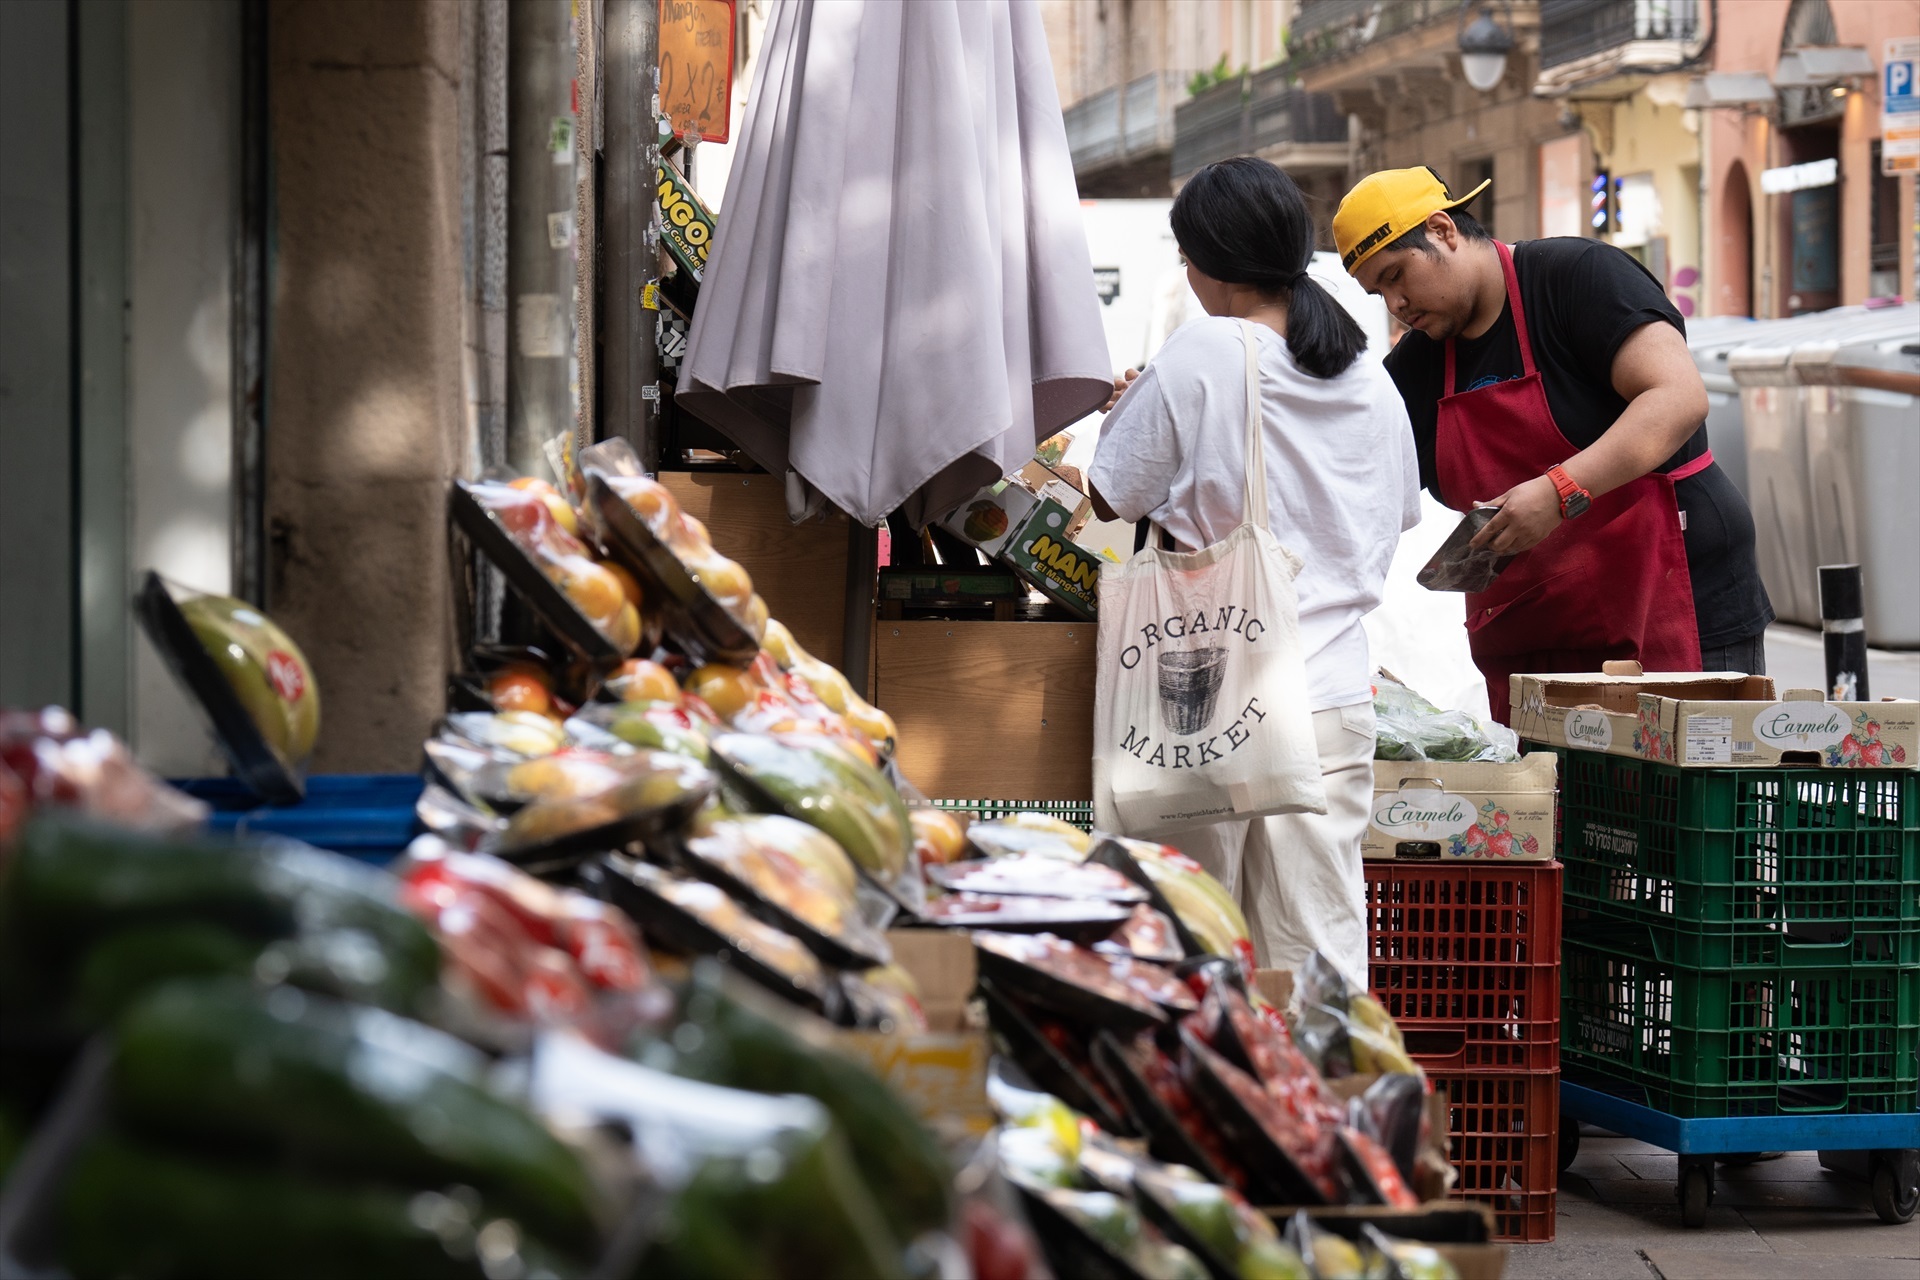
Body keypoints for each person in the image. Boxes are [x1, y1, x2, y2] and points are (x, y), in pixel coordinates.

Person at [1088, 157, 1420, 983]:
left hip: (1209, 692)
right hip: (1333, 703)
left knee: (1188, 943)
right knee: (1318, 952)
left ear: (1208, 261)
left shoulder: (1202, 351)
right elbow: (1400, 512)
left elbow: (1109, 495)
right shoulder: (1368, 375)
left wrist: (1138, 407)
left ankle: (1199, 1103)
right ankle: (1332, 1103)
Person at [1335, 167, 1773, 723]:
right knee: (1560, 806)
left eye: (1398, 274)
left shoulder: (1577, 278)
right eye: (1379, 291)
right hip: (1538, 627)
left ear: (1443, 230)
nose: (1396, 303)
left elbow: (1678, 397)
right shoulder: (1417, 368)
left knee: (1681, 797)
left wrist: (1559, 490)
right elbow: (1362, 490)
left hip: (1677, 598)